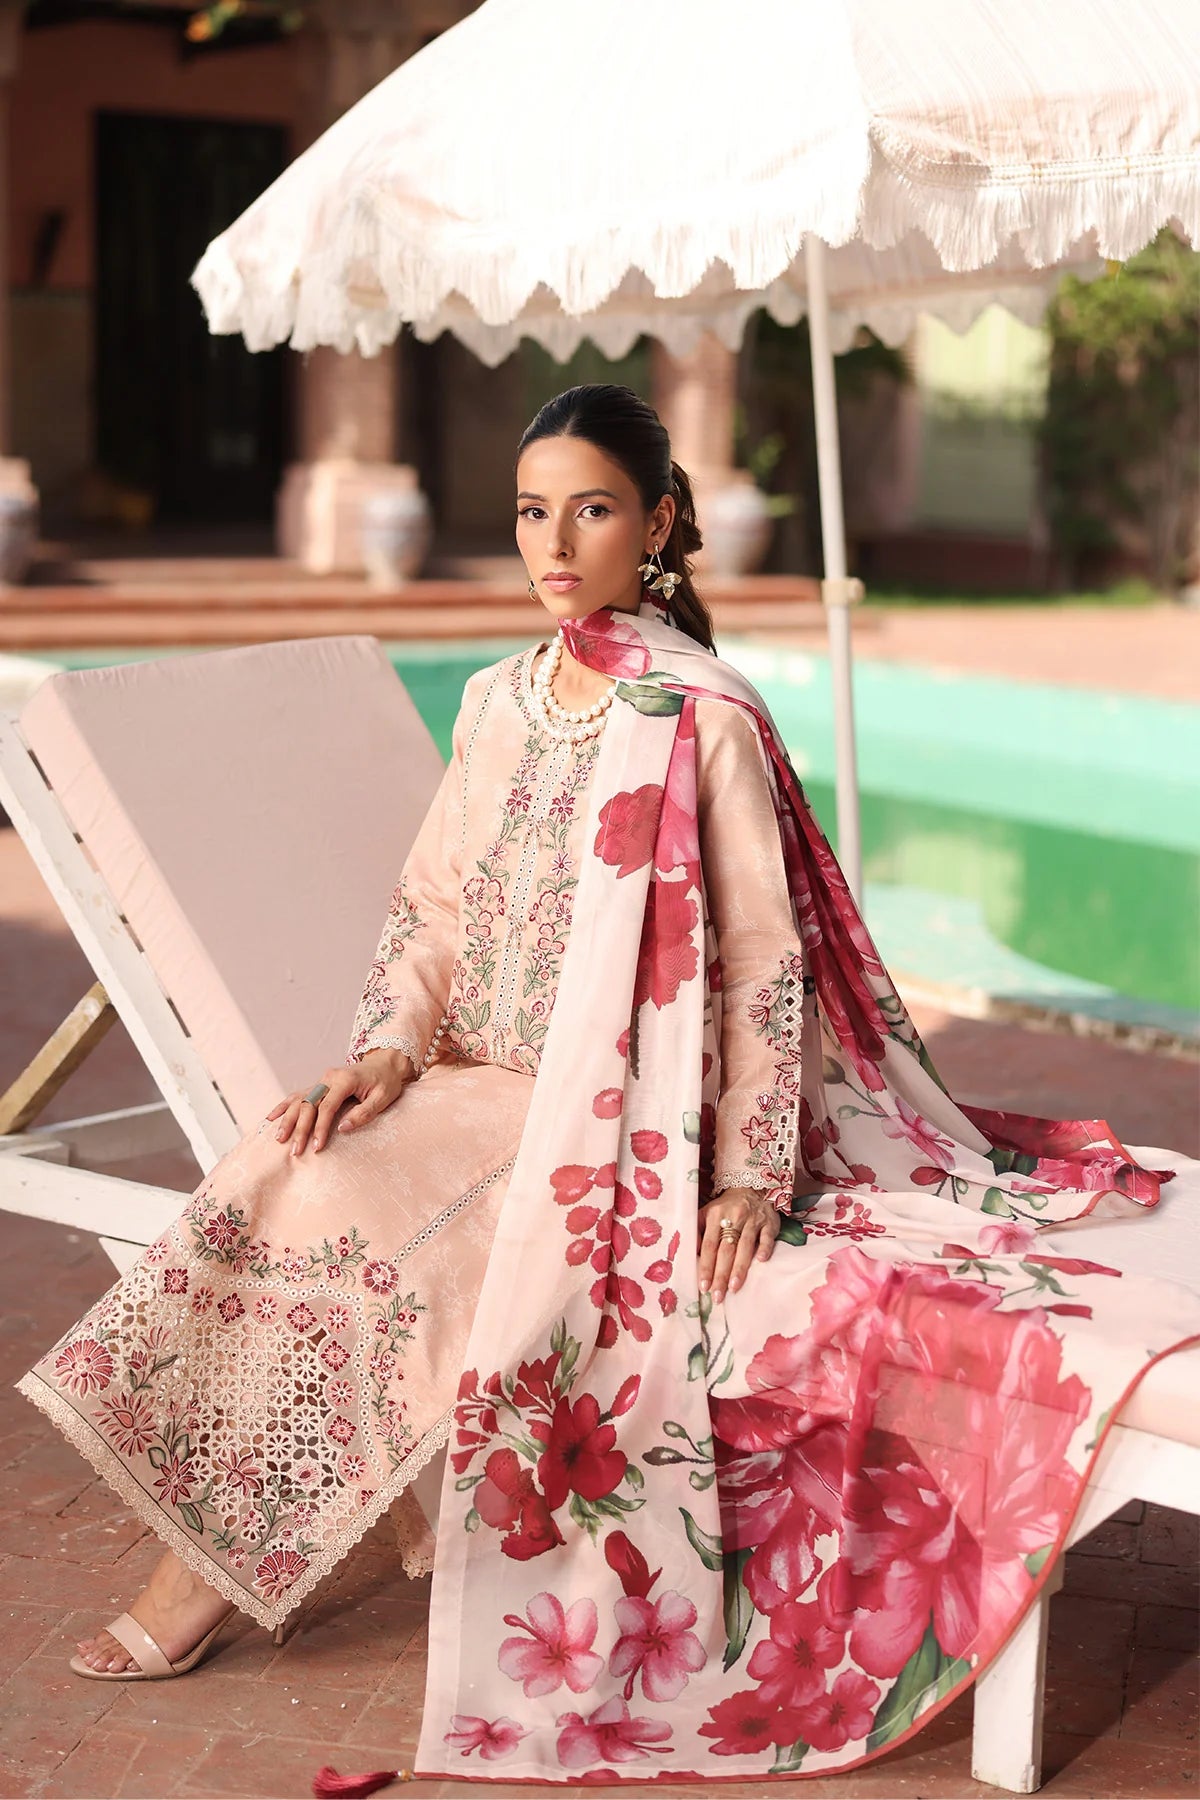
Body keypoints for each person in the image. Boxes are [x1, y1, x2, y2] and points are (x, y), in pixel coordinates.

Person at [15, 385, 1198, 1787]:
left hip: (630, 1113)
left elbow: (760, 963)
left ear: (658, 523)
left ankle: (194, 1583)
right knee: (292, 1165)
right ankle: (206, 1544)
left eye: (591, 509)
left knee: (379, 1231)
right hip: (477, 1079)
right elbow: (436, 906)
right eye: (533, 512)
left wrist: (750, 1171)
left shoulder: (702, 717)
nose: (555, 543)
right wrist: (385, 1048)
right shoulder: (494, 702)